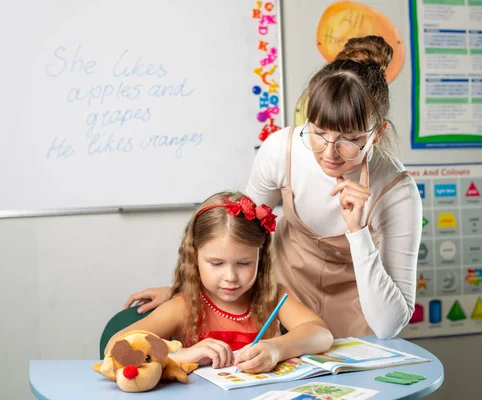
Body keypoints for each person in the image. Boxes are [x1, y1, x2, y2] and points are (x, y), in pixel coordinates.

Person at [124, 35, 422, 340]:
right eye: (318, 132)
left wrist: (358, 233)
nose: (329, 153)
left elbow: (388, 325)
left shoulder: (398, 193)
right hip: (286, 301)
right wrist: (184, 291)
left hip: (361, 312)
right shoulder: (283, 150)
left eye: (350, 140)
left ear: (377, 133)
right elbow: (238, 234)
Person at [107, 192, 333, 373]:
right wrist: (179, 356)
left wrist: (277, 348)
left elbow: (321, 334)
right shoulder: (184, 306)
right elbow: (115, 347)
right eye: (216, 264)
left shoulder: (272, 295)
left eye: (244, 263)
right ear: (194, 258)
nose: (231, 277)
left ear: (260, 257)